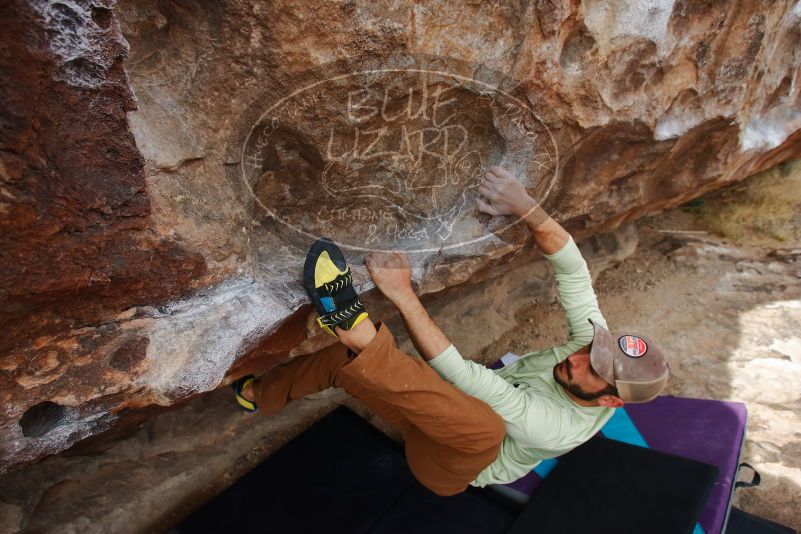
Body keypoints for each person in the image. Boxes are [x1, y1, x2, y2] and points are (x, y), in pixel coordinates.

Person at [231, 165, 670, 496]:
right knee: (355, 363)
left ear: (611, 399)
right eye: (592, 347)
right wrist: (525, 206)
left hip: (449, 464)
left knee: (485, 428)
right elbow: (573, 271)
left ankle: (352, 323)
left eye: (591, 366)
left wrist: (404, 296)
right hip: (441, 408)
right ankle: (258, 394)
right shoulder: (591, 350)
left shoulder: (557, 428)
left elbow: (467, 377)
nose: (576, 355)